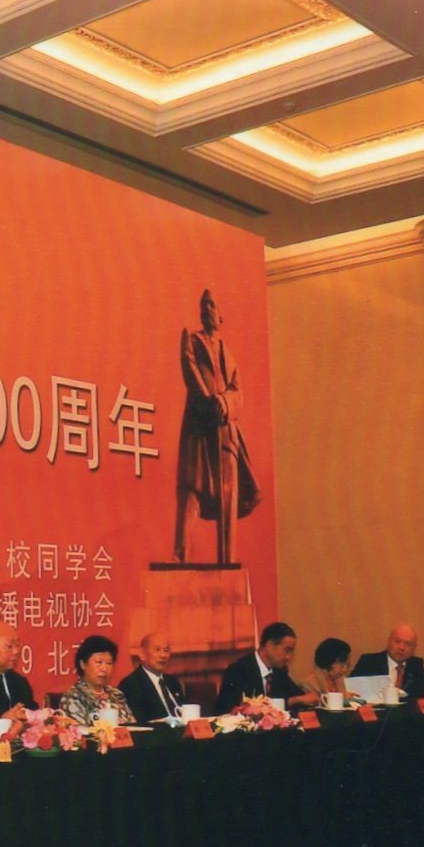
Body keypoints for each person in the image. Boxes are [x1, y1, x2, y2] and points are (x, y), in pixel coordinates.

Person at [173, 289, 260, 566]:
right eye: (203, 305)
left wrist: (224, 402)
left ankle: (227, 561)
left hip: (224, 431)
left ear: (221, 315)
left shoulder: (229, 356)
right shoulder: (192, 339)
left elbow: (238, 394)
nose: (206, 310)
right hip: (199, 426)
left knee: (228, 496)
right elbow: (189, 368)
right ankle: (181, 557)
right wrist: (208, 399)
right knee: (191, 489)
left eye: (211, 305)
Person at [216, 621, 317, 712]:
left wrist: (307, 698)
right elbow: (231, 709)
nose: (289, 657)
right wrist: (295, 700)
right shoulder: (238, 670)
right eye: (287, 650)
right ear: (269, 645)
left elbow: (299, 696)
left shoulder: (280, 671)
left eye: (291, 652)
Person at [60, 634, 137, 725]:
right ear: (83, 664)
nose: (104, 669)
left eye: (109, 663)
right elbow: (82, 730)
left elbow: (132, 724)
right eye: (99, 662)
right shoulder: (73, 697)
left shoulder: (116, 694)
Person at [118, 631, 188, 723]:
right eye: (157, 650)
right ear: (142, 654)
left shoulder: (172, 681)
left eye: (166, 650)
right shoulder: (131, 684)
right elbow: (139, 723)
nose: (163, 655)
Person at [351, 624, 424, 698]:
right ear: (389, 641)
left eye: (408, 644)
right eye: (397, 641)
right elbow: (352, 691)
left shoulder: (416, 665)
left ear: (414, 648)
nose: (401, 647)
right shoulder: (369, 662)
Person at [306, 637, 356, 702]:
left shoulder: (342, 679)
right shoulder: (309, 684)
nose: (344, 670)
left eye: (347, 665)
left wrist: (349, 700)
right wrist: (341, 700)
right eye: (342, 665)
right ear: (329, 660)